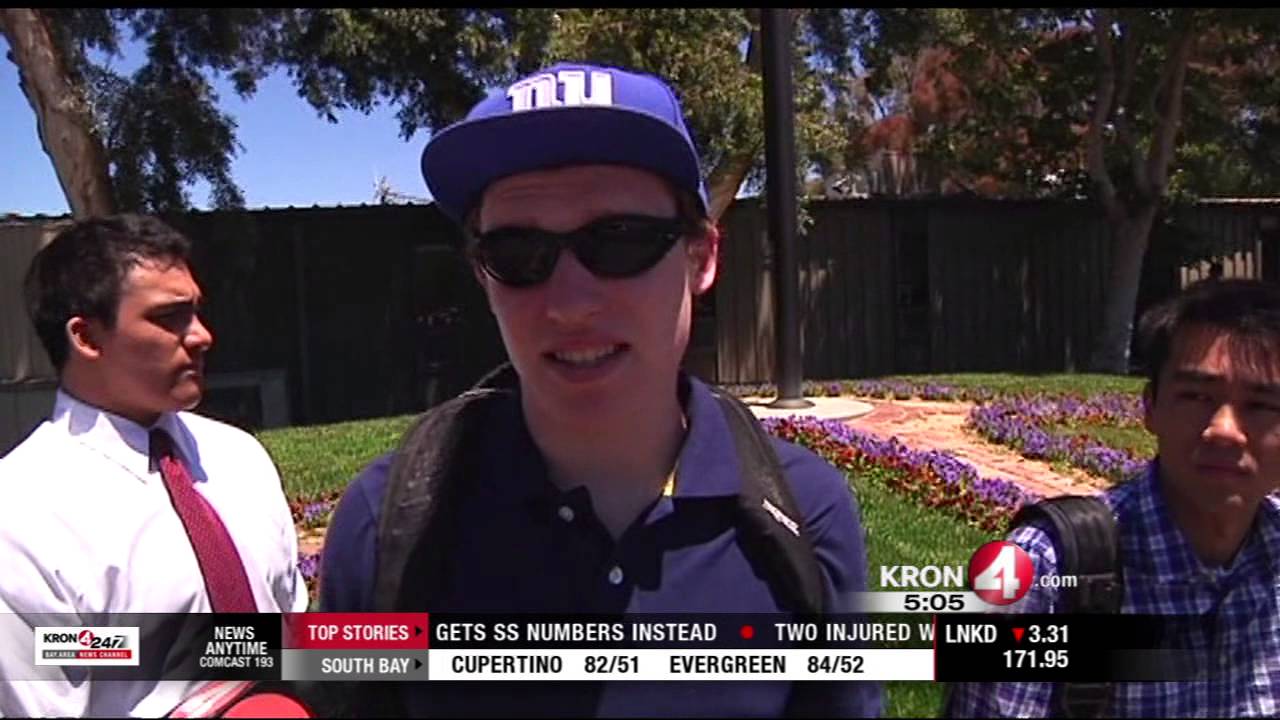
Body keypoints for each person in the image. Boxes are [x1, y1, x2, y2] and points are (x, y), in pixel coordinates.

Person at [318, 62, 882, 717]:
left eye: (619, 240)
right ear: (482, 275)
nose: (570, 302)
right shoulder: (387, 524)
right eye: (519, 253)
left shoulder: (804, 517)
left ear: (701, 258)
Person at [0, 214, 309, 717]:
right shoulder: (19, 515)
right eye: (171, 318)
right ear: (87, 338)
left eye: (197, 312)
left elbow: (292, 636)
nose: (203, 336)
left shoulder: (239, 458)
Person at [945, 278, 1280, 717]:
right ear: (1150, 408)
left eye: (1260, 405)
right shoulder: (1042, 571)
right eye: (1196, 396)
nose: (1223, 430)